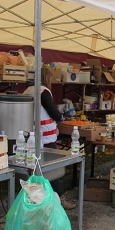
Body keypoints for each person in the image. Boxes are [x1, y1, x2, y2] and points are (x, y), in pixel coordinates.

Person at [23, 67, 76, 210]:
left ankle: (37, 200)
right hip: (46, 136)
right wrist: (61, 117)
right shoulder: (43, 91)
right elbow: (52, 110)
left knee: (35, 171)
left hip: (31, 136)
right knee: (53, 169)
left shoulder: (26, 91)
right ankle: (58, 198)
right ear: (46, 78)